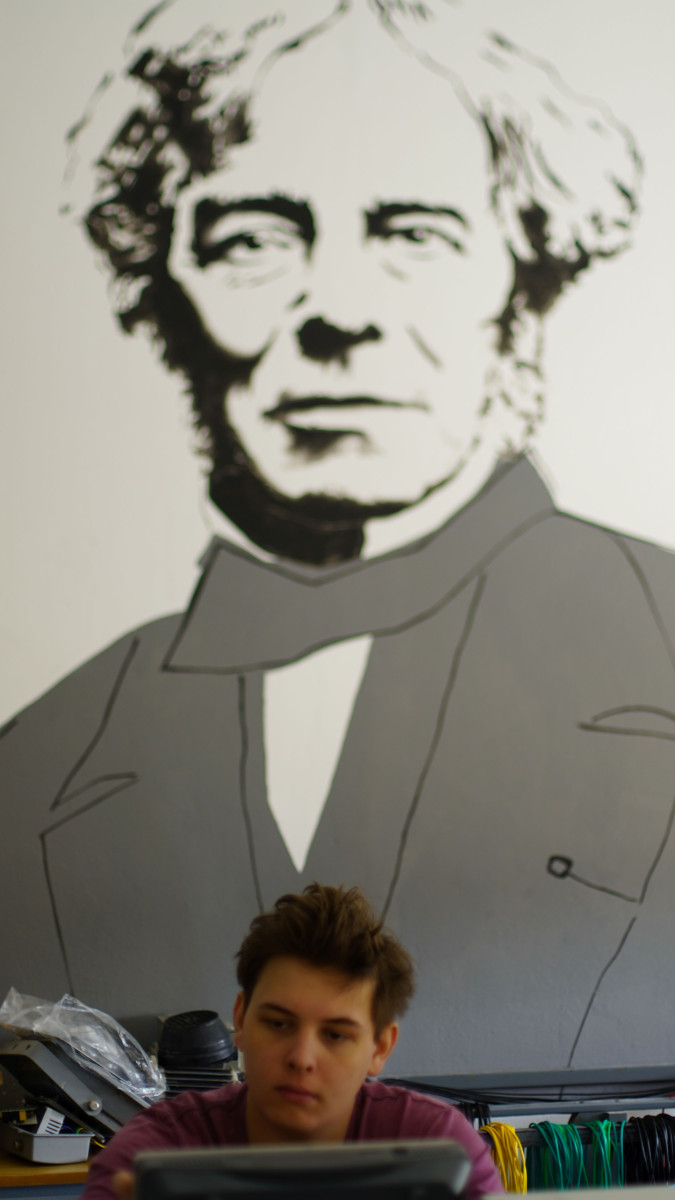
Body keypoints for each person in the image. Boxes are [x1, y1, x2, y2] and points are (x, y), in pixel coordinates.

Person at [3, 0, 675, 1079]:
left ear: (528, 270)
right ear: (160, 282)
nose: (339, 311)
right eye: (254, 238)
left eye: (416, 234)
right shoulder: (48, 752)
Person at [82, 885, 502, 1200]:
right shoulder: (156, 1153)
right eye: (279, 1024)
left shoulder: (439, 1146)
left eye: (335, 1035)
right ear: (241, 1019)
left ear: (379, 1048)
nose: (302, 1058)